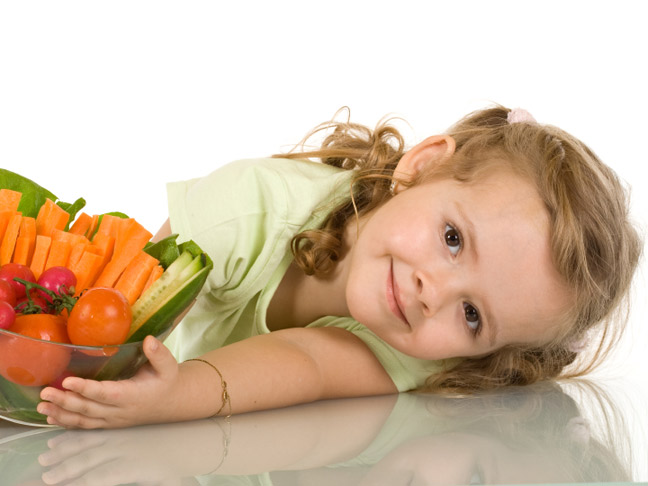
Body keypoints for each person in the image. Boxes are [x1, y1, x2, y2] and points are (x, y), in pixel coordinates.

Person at [36, 105, 642, 429]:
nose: (436, 294)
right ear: (422, 165)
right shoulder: (249, 206)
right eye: (453, 238)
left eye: (474, 314)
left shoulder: (420, 345)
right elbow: (117, 311)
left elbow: (305, 364)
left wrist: (173, 398)